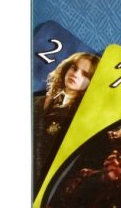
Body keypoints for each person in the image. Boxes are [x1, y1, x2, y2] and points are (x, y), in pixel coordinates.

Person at [33, 51, 99, 197]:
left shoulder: (82, 118)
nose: (75, 74)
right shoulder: (37, 101)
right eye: (74, 68)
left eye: (85, 74)